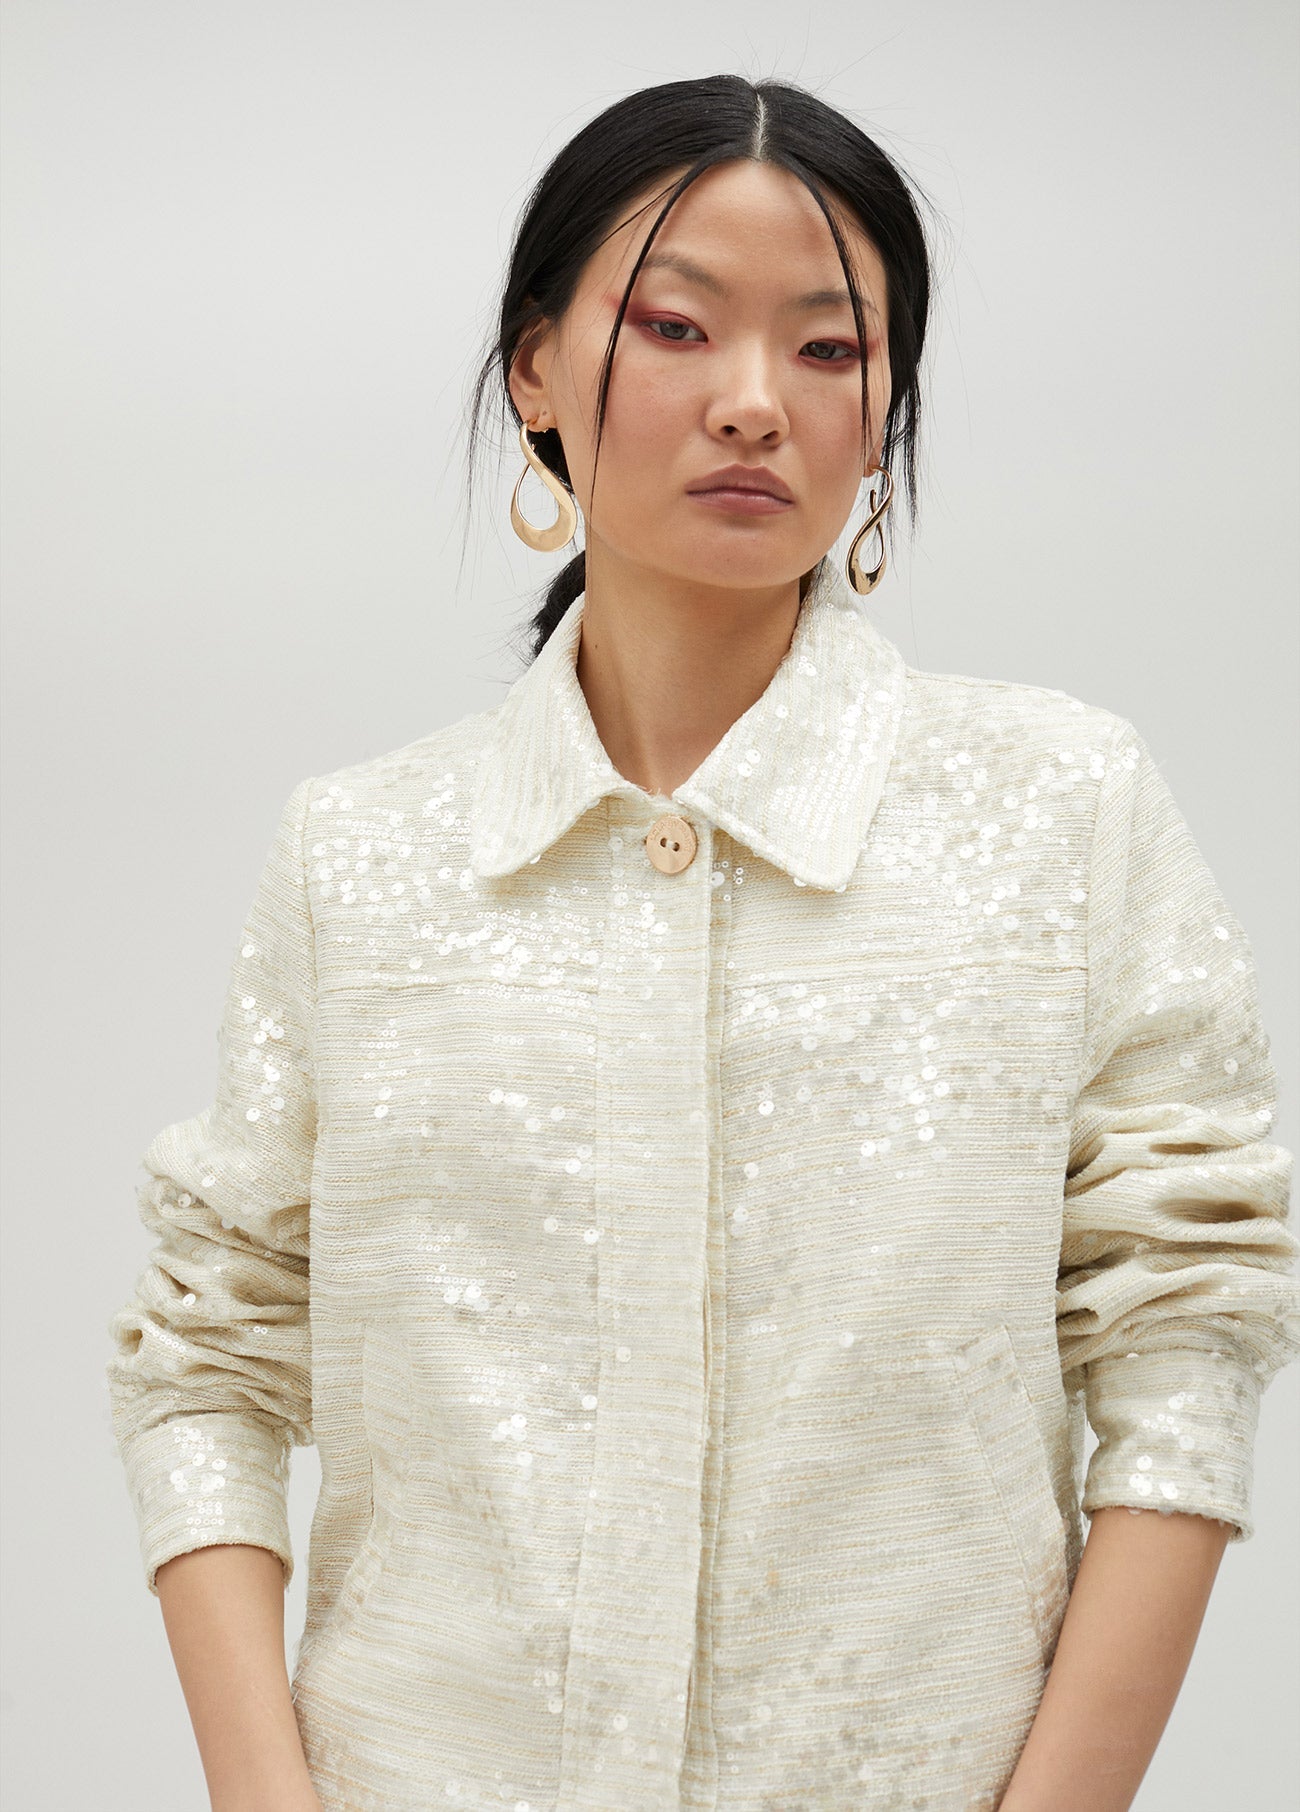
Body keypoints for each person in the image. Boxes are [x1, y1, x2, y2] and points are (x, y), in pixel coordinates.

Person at [106, 72, 1300, 1812]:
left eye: (830, 348)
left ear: (884, 413)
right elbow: (209, 1353)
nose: (754, 401)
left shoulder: (1063, 808)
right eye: (677, 327)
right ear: (535, 369)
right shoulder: (361, 856)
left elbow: (1188, 1332)